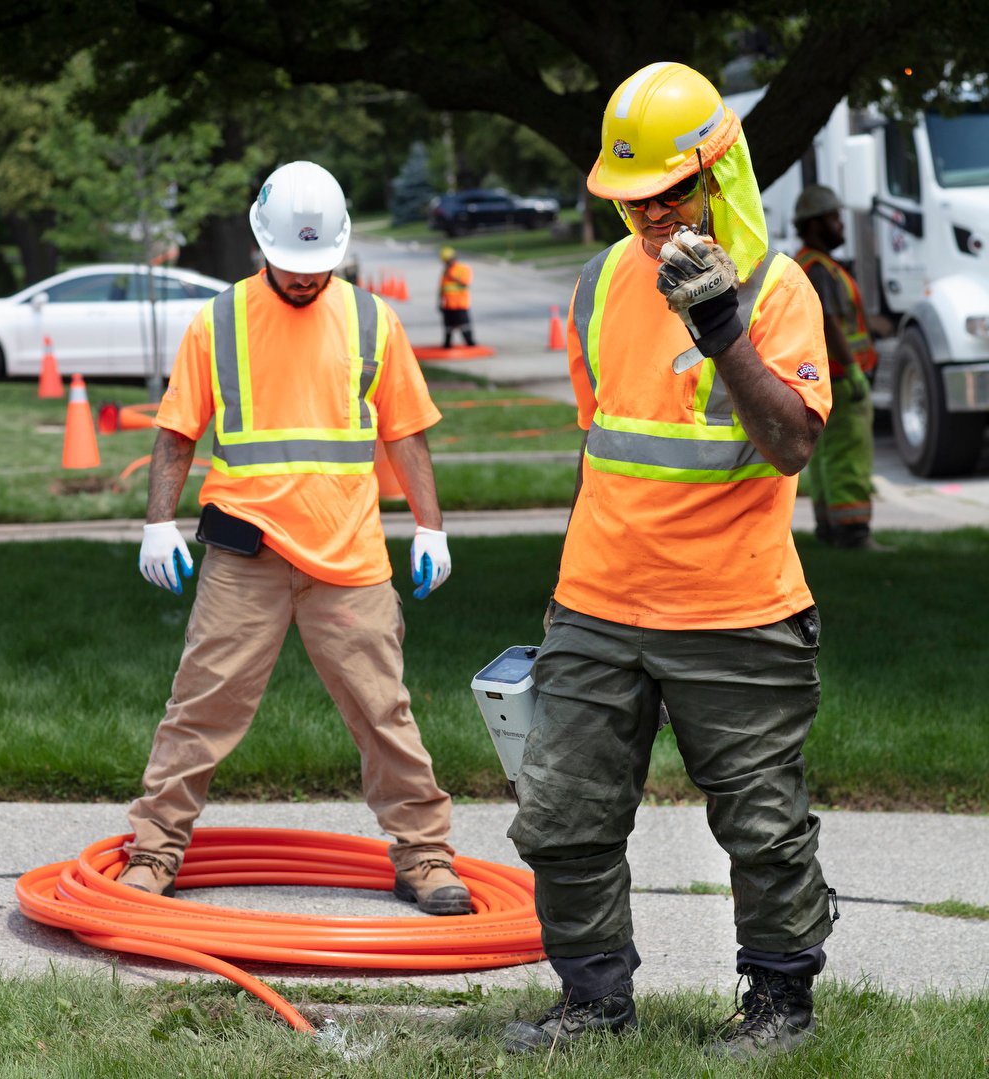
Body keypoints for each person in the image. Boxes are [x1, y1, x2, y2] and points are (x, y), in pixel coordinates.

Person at [504, 62, 838, 1060]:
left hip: (735, 609)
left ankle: (778, 1004)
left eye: (669, 196)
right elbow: (600, 437)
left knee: (761, 822)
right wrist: (568, 593)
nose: (650, 220)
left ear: (715, 175)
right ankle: (592, 1001)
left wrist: (721, 326)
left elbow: (788, 444)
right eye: (631, 200)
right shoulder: (600, 281)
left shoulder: (779, 293)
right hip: (598, 602)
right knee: (560, 809)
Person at [120, 160, 471, 917]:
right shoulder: (218, 320)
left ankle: (425, 855)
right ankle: (153, 849)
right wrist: (157, 521)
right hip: (246, 556)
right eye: (292, 264)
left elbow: (406, 433)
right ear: (261, 244)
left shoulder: (373, 320)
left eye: (320, 266)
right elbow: (178, 433)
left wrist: (432, 528)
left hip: (348, 558)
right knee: (201, 705)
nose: (307, 279)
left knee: (385, 710)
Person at [794, 184, 883, 549]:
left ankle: (830, 529)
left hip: (827, 379)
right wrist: (853, 367)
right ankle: (854, 533)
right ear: (814, 225)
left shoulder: (811, 265)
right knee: (849, 456)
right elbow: (829, 323)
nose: (840, 225)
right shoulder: (817, 269)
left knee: (828, 458)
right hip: (843, 379)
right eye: (833, 218)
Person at [437, 246, 475, 348]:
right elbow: (442, 288)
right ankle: (447, 345)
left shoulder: (462, 269)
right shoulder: (445, 272)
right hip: (448, 305)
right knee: (448, 328)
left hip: (460, 304)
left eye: (447, 261)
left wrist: (451, 275)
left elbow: (465, 283)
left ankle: (470, 344)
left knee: (465, 326)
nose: (446, 263)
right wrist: (439, 302)